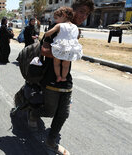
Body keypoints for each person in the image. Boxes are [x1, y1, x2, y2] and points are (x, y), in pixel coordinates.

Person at [28, 0, 94, 154]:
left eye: (87, 14)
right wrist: (63, 54)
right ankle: (33, 113)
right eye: (82, 11)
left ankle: (51, 141)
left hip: (65, 76)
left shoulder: (75, 30)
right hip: (50, 75)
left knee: (64, 113)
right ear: (73, 10)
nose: (84, 16)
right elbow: (44, 50)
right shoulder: (57, 27)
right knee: (50, 112)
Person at [45, 7, 82, 82]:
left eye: (57, 18)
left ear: (64, 15)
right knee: (66, 65)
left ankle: (58, 76)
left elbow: (48, 33)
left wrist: (46, 33)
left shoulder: (59, 25)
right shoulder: (75, 27)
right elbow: (77, 36)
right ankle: (64, 77)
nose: (56, 20)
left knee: (56, 63)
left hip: (60, 47)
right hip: (70, 49)